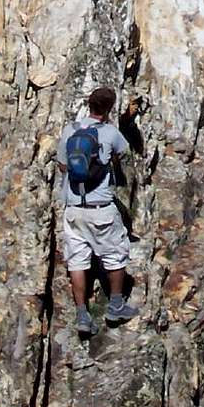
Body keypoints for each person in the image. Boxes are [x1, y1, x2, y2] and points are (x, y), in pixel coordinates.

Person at [56, 86, 138, 334]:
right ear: (109, 109)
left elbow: (62, 166)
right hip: (100, 208)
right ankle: (115, 305)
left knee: (77, 261)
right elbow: (125, 157)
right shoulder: (111, 133)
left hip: (73, 209)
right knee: (115, 254)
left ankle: (82, 316)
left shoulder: (71, 130)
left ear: (89, 105)